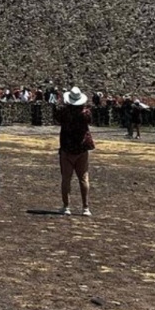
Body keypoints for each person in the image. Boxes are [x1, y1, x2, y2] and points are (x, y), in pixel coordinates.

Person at [54, 87, 94, 216]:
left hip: (67, 147)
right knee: (83, 178)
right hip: (81, 148)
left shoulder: (64, 112)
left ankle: (66, 206)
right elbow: (90, 119)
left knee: (66, 178)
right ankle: (85, 207)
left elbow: (57, 116)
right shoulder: (85, 113)